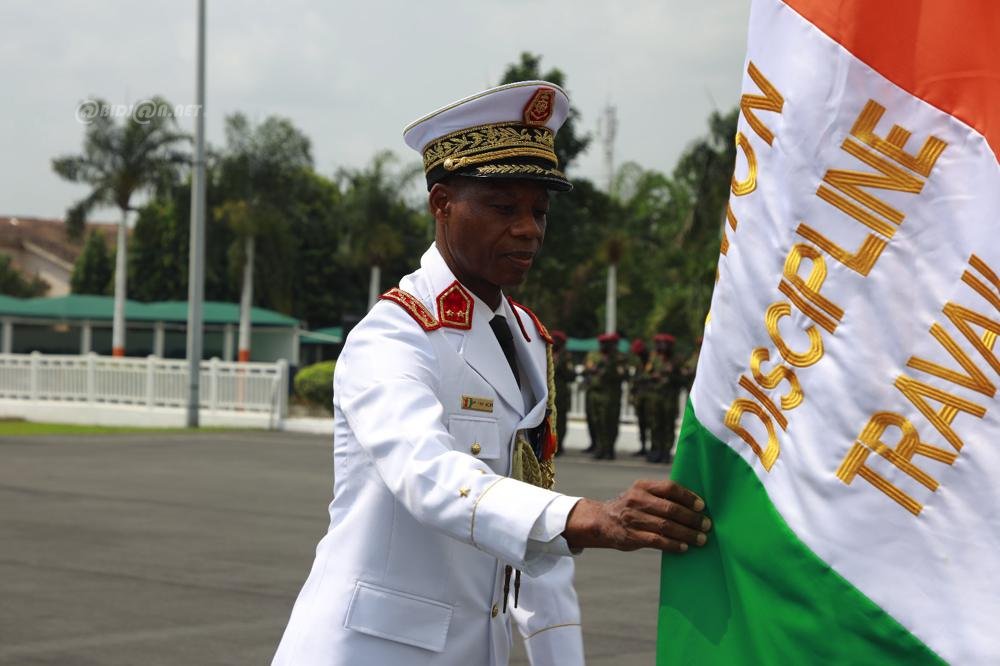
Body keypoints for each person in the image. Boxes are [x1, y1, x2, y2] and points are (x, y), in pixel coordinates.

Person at [272, 81, 711, 666]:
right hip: (368, 649)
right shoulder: (394, 334)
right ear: (442, 203)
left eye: (539, 211)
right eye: (504, 208)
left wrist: (561, 657)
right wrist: (592, 518)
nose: (528, 229)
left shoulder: (527, 337)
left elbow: (533, 516)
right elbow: (426, 475)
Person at [587, 332, 626, 461]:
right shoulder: (597, 356)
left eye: (607, 344)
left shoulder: (618, 358)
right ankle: (600, 448)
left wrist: (609, 367)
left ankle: (609, 449)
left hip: (610, 396)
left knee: (610, 423)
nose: (603, 346)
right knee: (597, 422)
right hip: (596, 393)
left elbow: (622, 375)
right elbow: (590, 370)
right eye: (602, 344)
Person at [647, 333, 679, 464]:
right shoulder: (654, 359)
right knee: (655, 424)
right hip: (656, 397)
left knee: (668, 425)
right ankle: (656, 450)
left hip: (669, 398)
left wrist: (670, 377)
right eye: (660, 344)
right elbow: (646, 374)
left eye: (665, 344)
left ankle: (666, 452)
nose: (662, 347)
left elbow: (681, 379)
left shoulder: (676, 360)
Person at [551, 330, 575, 456]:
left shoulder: (565, 357)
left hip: (561, 395)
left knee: (560, 421)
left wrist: (560, 366)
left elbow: (571, 376)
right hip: (549, 394)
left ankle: (559, 446)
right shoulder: (547, 352)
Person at [629, 337, 652, 457]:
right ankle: (643, 446)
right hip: (640, 396)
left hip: (650, 397)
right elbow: (635, 380)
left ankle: (654, 448)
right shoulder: (639, 362)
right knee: (641, 423)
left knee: (652, 424)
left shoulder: (652, 360)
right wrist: (632, 395)